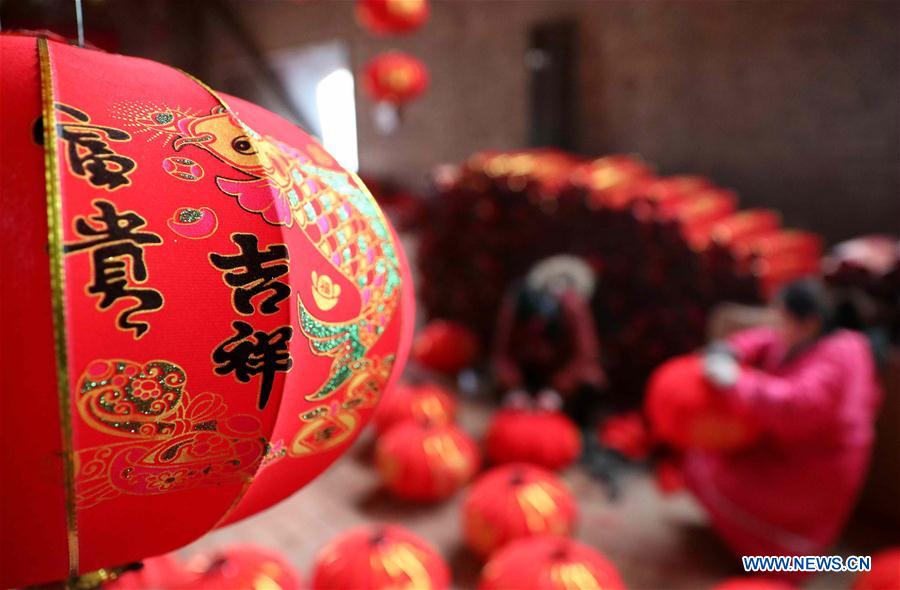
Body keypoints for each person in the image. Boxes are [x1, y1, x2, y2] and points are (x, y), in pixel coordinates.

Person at [685, 279, 882, 561]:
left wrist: (734, 381)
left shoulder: (838, 357)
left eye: (781, 318)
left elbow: (794, 405)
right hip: (791, 450)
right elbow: (766, 339)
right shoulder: (813, 336)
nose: (775, 325)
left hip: (815, 469)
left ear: (809, 323)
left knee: (715, 473)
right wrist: (730, 350)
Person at [491, 255, 606, 425]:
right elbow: (502, 352)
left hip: (561, 372)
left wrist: (557, 391)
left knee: (592, 379)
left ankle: (578, 426)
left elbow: (585, 356)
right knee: (498, 378)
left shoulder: (574, 308)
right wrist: (513, 388)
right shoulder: (518, 301)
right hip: (527, 370)